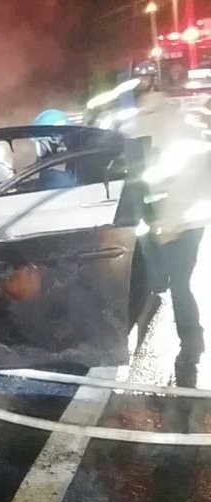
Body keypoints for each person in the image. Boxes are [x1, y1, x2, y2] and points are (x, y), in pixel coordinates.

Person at [120, 61, 207, 387]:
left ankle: (190, 343)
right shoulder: (168, 120)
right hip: (180, 219)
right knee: (168, 282)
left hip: (175, 220)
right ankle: (187, 340)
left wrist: (166, 224)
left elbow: (172, 179)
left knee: (174, 284)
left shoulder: (144, 126)